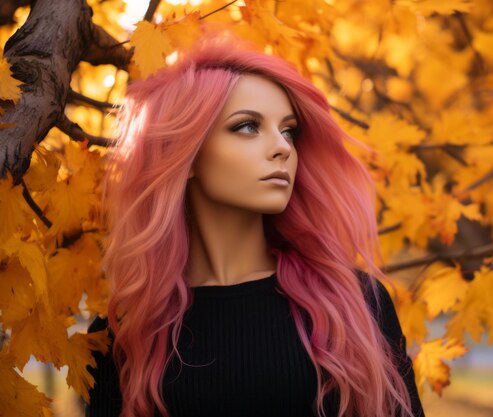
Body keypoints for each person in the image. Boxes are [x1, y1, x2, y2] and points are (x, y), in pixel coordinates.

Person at [86, 30, 425, 417]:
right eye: (247, 126)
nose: (283, 147)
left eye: (289, 130)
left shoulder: (354, 304)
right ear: (186, 152)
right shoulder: (125, 334)